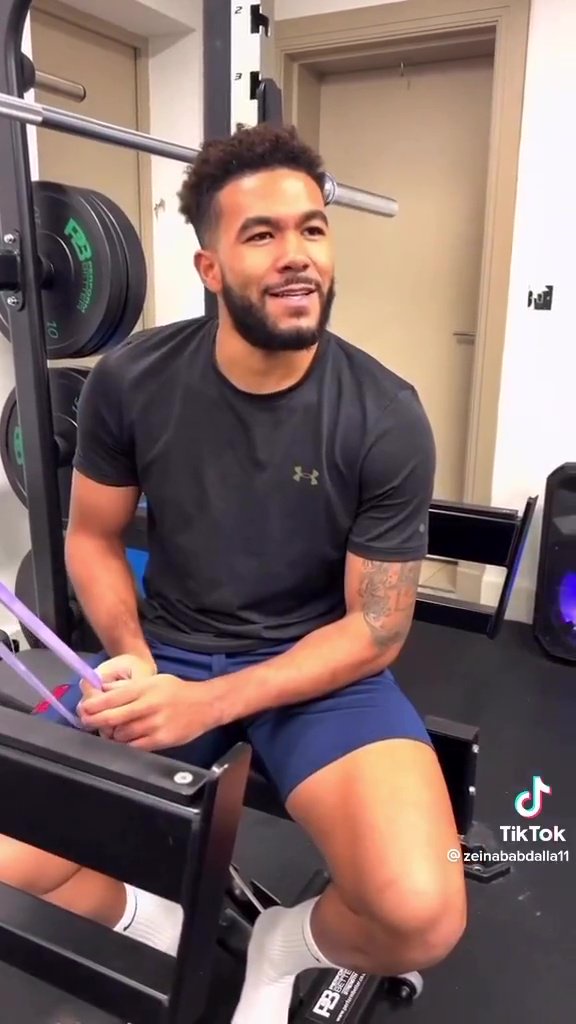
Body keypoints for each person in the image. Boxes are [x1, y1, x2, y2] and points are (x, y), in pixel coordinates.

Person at [0, 123, 466, 1023]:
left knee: (420, 915)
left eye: (313, 228)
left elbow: (375, 629)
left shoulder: (385, 414)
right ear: (210, 267)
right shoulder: (132, 379)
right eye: (262, 234)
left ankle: (284, 942)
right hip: (170, 647)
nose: (297, 255)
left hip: (321, 673)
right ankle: (155, 919)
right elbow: (92, 537)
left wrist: (210, 704)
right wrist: (133, 657)